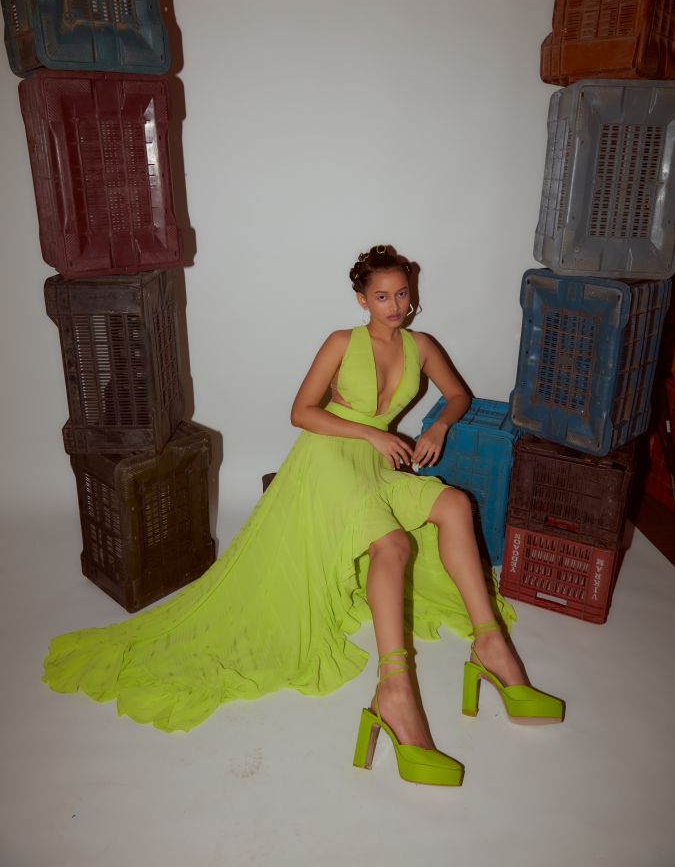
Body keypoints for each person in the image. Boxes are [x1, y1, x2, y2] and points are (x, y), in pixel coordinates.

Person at [43, 244, 562, 786]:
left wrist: (437, 427)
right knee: (393, 545)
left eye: (402, 294)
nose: (394, 306)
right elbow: (301, 412)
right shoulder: (341, 342)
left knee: (453, 504)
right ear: (361, 299)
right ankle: (395, 692)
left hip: (377, 463)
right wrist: (371, 434)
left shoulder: (421, 345)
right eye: (381, 297)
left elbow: (457, 396)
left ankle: (491, 646)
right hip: (328, 459)